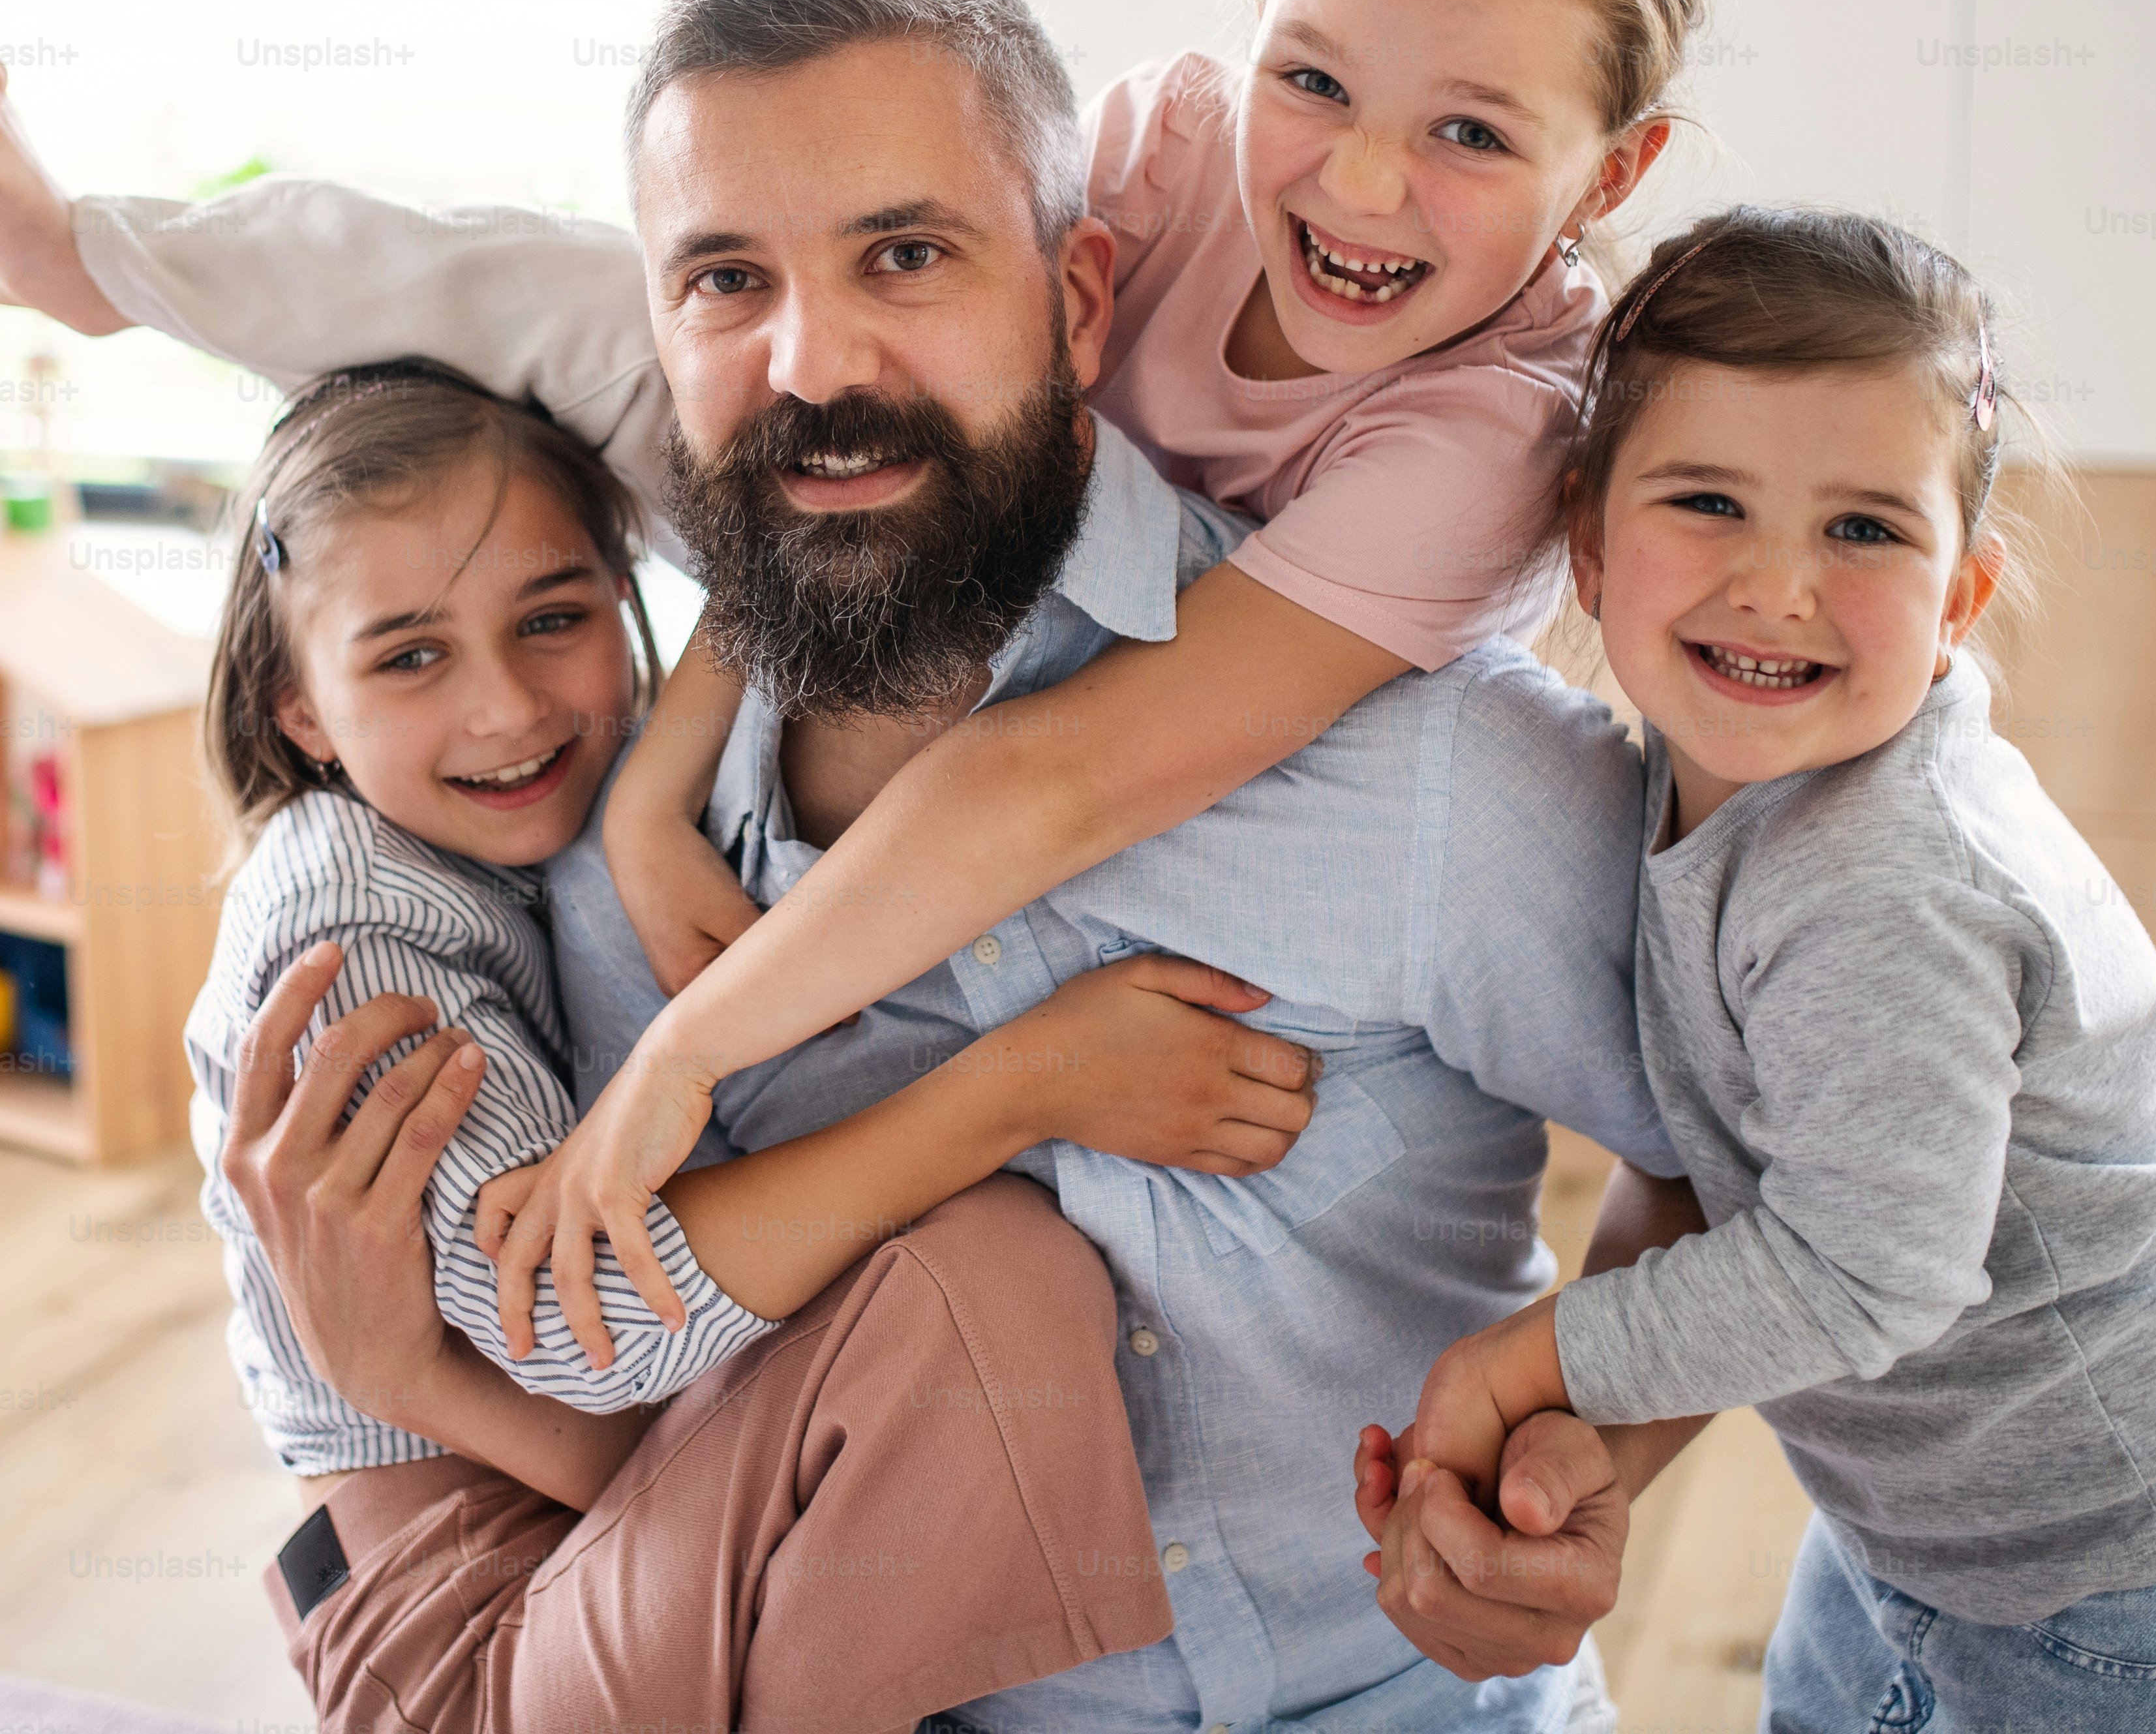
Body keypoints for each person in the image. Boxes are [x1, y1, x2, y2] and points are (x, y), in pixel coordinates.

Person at [0, 0, 1705, 1727]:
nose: (810, 364)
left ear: (1080, 299)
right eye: (725, 281)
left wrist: (1582, 1466)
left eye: (905, 254)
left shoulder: (1435, 772)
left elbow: (1722, 1161)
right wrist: (388, 1369)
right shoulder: (598, 860)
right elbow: (669, 1431)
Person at [182, 356, 1324, 1730]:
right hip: (467, 1621)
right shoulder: (353, 941)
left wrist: (652, 792)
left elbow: (780, 562)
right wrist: (1029, 1084)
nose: (508, 707)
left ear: (627, 601)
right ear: (297, 707)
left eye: (554, 618)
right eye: (408, 654)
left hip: (585, 1526)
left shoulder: (527, 819)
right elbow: (578, 1328)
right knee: (983, 1280)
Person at [1399, 210, 2156, 1731]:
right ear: (1584, 539)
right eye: (1709, 501)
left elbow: (1862, 1265)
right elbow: (1719, 1165)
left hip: (2130, 1584)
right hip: (1914, 1538)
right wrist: (1594, 1417)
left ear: (1959, 594)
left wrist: (1538, 1356)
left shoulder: (1886, 879)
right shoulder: (1700, 786)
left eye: (1864, 529)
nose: (1779, 586)